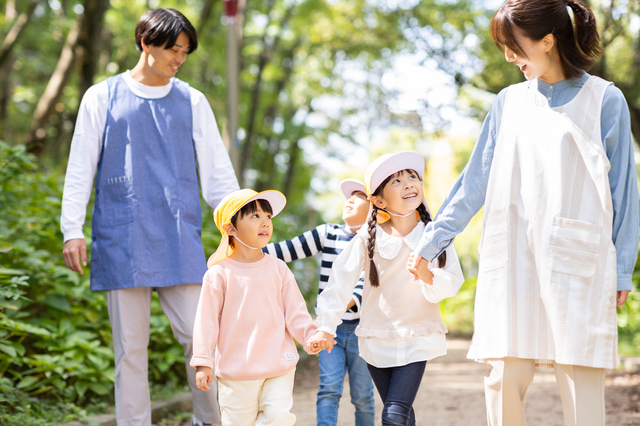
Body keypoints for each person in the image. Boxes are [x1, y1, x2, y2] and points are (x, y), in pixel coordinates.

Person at [409, 1, 640, 425]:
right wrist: (431, 241)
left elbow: (625, 193)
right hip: (512, 257)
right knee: (502, 377)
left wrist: (622, 269)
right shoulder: (508, 103)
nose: (508, 57)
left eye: (513, 46)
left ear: (547, 41)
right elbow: (472, 183)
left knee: (580, 376)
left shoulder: (605, 100)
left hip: (578, 261)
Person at [60, 8, 239, 426]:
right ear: (146, 42)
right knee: (130, 351)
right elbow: (80, 168)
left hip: (180, 236)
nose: (180, 58)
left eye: (185, 52)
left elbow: (218, 177)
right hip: (122, 237)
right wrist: (73, 229)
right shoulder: (101, 96)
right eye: (174, 49)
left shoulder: (193, 100)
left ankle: (211, 422)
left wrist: (238, 228)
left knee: (202, 343)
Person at [307, 152, 465, 426]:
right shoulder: (368, 237)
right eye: (396, 181)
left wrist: (427, 275)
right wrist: (325, 327)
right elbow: (340, 281)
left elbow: (452, 281)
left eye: (412, 177)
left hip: (417, 336)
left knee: (393, 414)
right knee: (403, 416)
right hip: (376, 338)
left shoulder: (434, 236)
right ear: (378, 201)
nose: (407, 184)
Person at [190, 188, 320, 426]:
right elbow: (206, 322)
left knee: (279, 418)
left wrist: (310, 336)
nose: (265, 223)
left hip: (278, 364)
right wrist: (202, 362)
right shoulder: (218, 274)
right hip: (236, 372)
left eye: (268, 216)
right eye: (254, 216)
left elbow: (296, 311)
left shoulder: (278, 268)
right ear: (230, 228)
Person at [263, 179, 376, 426]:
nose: (350, 200)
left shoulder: (375, 241)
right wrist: (246, 250)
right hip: (329, 330)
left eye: (359, 197)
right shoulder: (328, 233)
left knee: (363, 397)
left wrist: (342, 304)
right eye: (349, 196)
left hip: (363, 330)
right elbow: (286, 250)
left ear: (375, 206)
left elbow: (363, 285)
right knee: (329, 390)